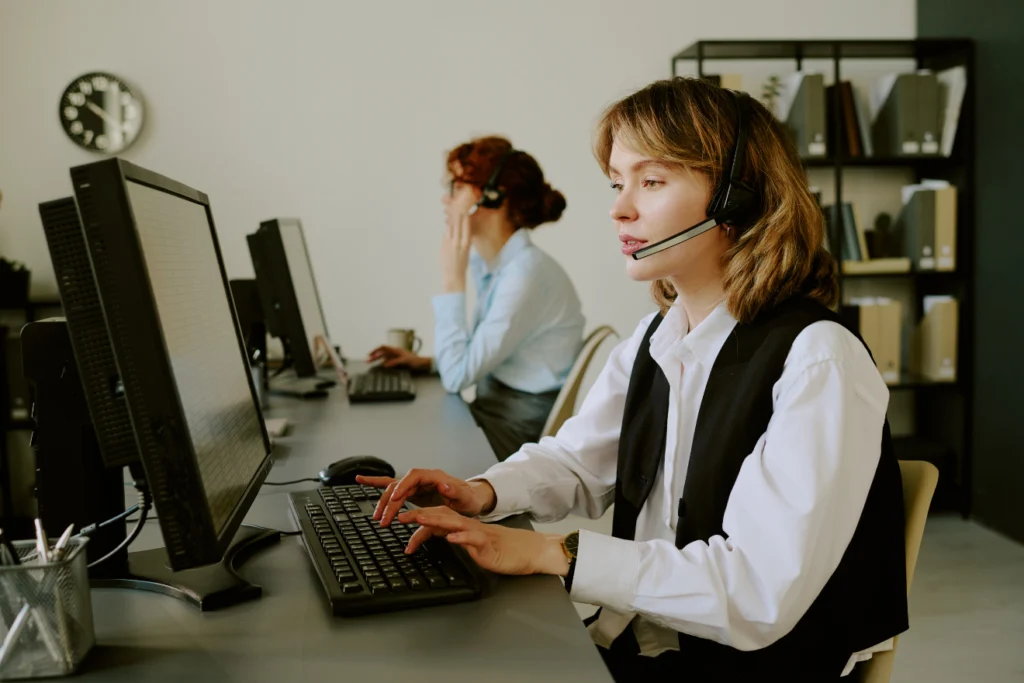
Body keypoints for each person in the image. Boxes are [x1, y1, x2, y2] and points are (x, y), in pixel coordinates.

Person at [358, 78, 908, 682]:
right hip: (644, 646)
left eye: (651, 181)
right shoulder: (657, 335)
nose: (620, 208)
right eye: (618, 183)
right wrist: (483, 491)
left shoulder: (818, 361)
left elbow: (756, 592)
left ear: (737, 198)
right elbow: (577, 462)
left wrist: (554, 554)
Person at [369, 136, 585, 460]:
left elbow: (458, 378)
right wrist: (431, 362)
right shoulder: (498, 265)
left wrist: (451, 279)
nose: (446, 199)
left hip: (512, 429)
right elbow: (475, 358)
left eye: (457, 186)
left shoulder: (524, 276)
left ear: (490, 197)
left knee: (398, 440)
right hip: (494, 408)